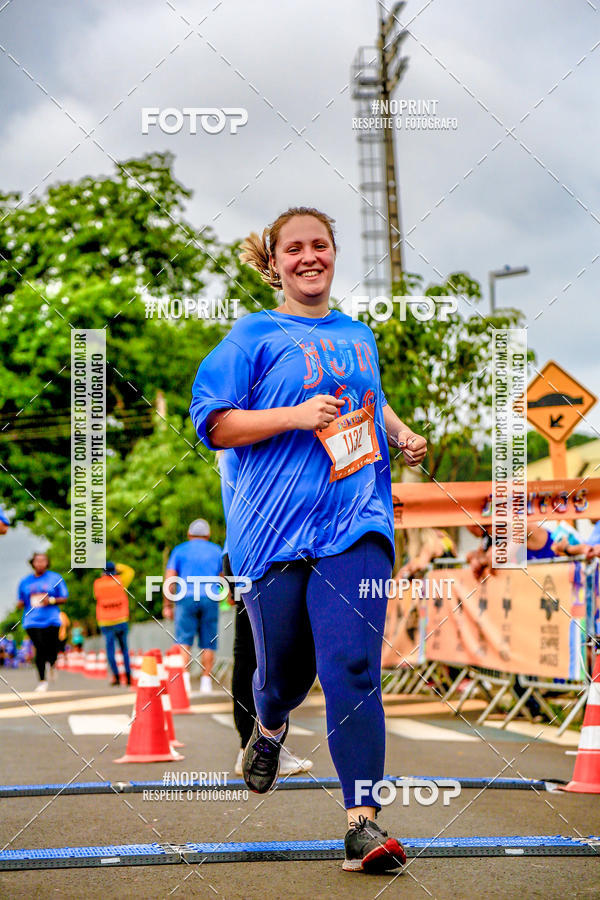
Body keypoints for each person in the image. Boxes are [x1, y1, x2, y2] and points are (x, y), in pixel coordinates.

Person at [190, 207, 427, 874]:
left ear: (333, 253)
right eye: (294, 248)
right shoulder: (252, 335)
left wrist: (400, 432)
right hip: (271, 531)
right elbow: (214, 424)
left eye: (319, 244)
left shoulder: (358, 335)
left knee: (353, 666)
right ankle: (267, 727)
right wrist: (294, 415)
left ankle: (362, 825)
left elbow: (369, 399)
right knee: (285, 677)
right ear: (277, 262)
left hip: (355, 518)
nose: (309, 256)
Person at [218, 448, 313, 778]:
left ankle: (254, 742)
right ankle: (254, 744)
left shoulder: (235, 444)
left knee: (252, 650)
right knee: (257, 651)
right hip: (263, 552)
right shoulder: (241, 444)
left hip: (244, 549)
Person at [162, 519, 223, 694]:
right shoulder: (216, 550)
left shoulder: (179, 550)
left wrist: (168, 604)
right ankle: (206, 681)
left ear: (189, 535)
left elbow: (170, 578)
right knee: (209, 642)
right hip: (209, 597)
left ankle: (185, 681)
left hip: (185, 598)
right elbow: (223, 577)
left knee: (183, 641)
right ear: (208, 535)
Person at [17, 552, 68, 691]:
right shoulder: (25, 581)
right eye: (37, 561)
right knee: (39, 648)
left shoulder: (55, 578)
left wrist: (50, 600)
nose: (40, 563)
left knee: (51, 647)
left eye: (43, 560)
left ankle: (52, 663)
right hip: (31, 620)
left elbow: (64, 597)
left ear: (47, 562)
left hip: (51, 618)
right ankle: (42, 680)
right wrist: (20, 604)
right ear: (32, 563)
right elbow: (20, 600)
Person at [93, 561, 135, 686]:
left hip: (105, 621)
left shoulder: (97, 583)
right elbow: (130, 571)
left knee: (110, 650)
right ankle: (128, 677)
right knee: (124, 650)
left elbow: (96, 597)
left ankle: (116, 677)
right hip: (121, 620)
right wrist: (118, 566)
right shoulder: (121, 581)